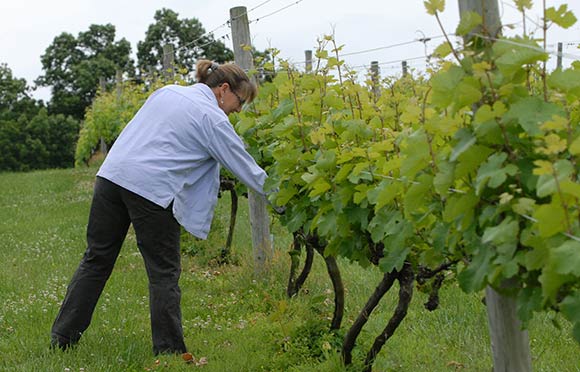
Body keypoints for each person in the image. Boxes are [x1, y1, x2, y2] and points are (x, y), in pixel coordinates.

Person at [51, 60, 268, 355]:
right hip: (151, 189)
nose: (239, 110)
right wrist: (281, 201)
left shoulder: (167, 92)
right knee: (163, 272)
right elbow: (246, 167)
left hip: (111, 177)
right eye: (240, 101)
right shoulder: (211, 118)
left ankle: (62, 339)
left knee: (96, 259)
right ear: (223, 89)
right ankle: (168, 352)